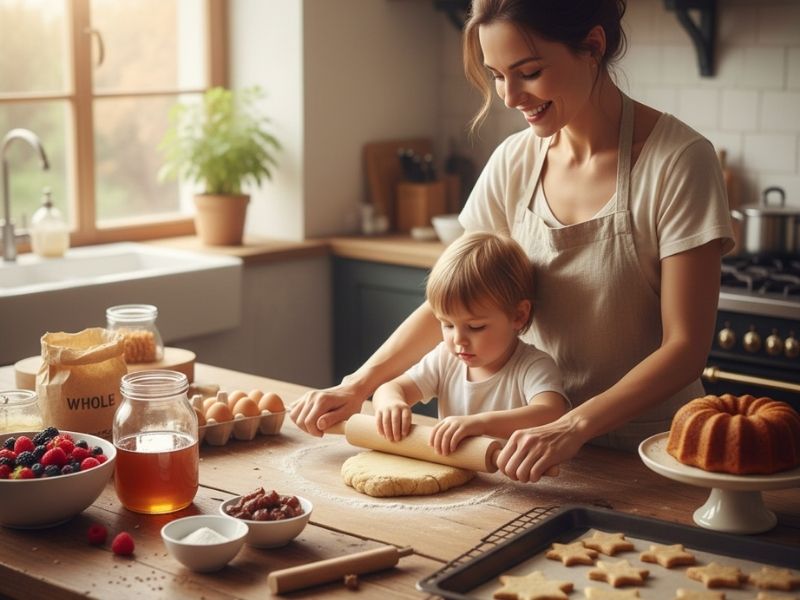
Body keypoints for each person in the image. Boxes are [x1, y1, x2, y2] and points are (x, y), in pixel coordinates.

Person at [291, 0, 734, 483]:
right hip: (530, 459)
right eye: (497, 75)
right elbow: (455, 300)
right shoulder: (514, 162)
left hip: (650, 454)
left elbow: (686, 347)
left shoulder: (679, 161)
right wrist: (359, 385)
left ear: (592, 46)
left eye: (528, 72)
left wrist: (571, 426)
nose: (509, 95)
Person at [371, 232, 568, 456]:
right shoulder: (444, 359)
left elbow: (552, 412)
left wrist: (481, 424)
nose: (458, 340)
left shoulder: (533, 366)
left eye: (475, 327)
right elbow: (390, 388)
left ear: (518, 316)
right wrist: (391, 403)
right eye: (447, 325)